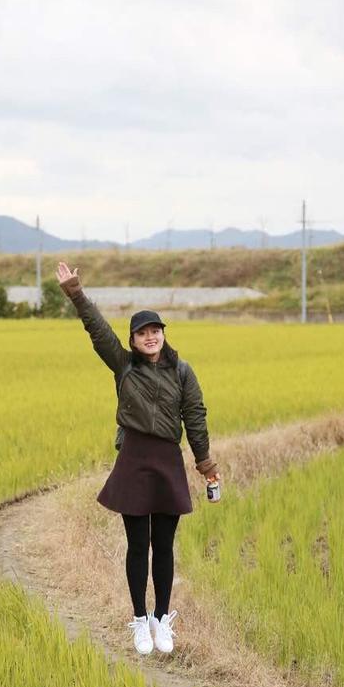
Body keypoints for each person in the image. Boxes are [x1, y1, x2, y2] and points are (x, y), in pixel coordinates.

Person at [56, 261, 219, 656]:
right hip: (134, 458)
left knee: (163, 545)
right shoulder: (123, 366)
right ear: (132, 339)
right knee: (137, 544)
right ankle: (139, 621)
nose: (150, 338)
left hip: (167, 461)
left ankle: (162, 619)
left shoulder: (182, 372)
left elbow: (195, 417)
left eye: (156, 331)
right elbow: (98, 331)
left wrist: (206, 466)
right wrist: (76, 293)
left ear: (164, 335)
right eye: (143, 333)